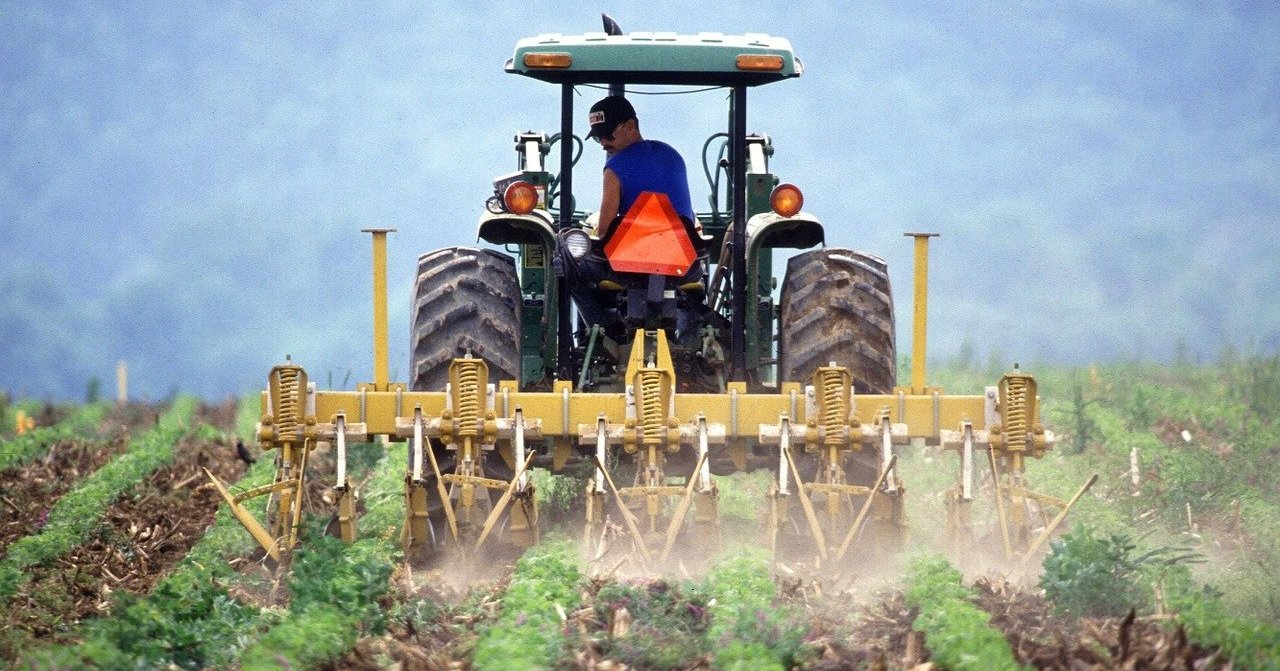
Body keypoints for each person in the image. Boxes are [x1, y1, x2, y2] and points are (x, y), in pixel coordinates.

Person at [556, 95, 703, 339]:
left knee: (565, 257)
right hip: (684, 267)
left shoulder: (614, 168)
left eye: (608, 135)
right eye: (597, 138)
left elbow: (602, 232)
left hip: (629, 270)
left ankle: (604, 328)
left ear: (631, 126)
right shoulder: (673, 156)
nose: (603, 143)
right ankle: (690, 337)